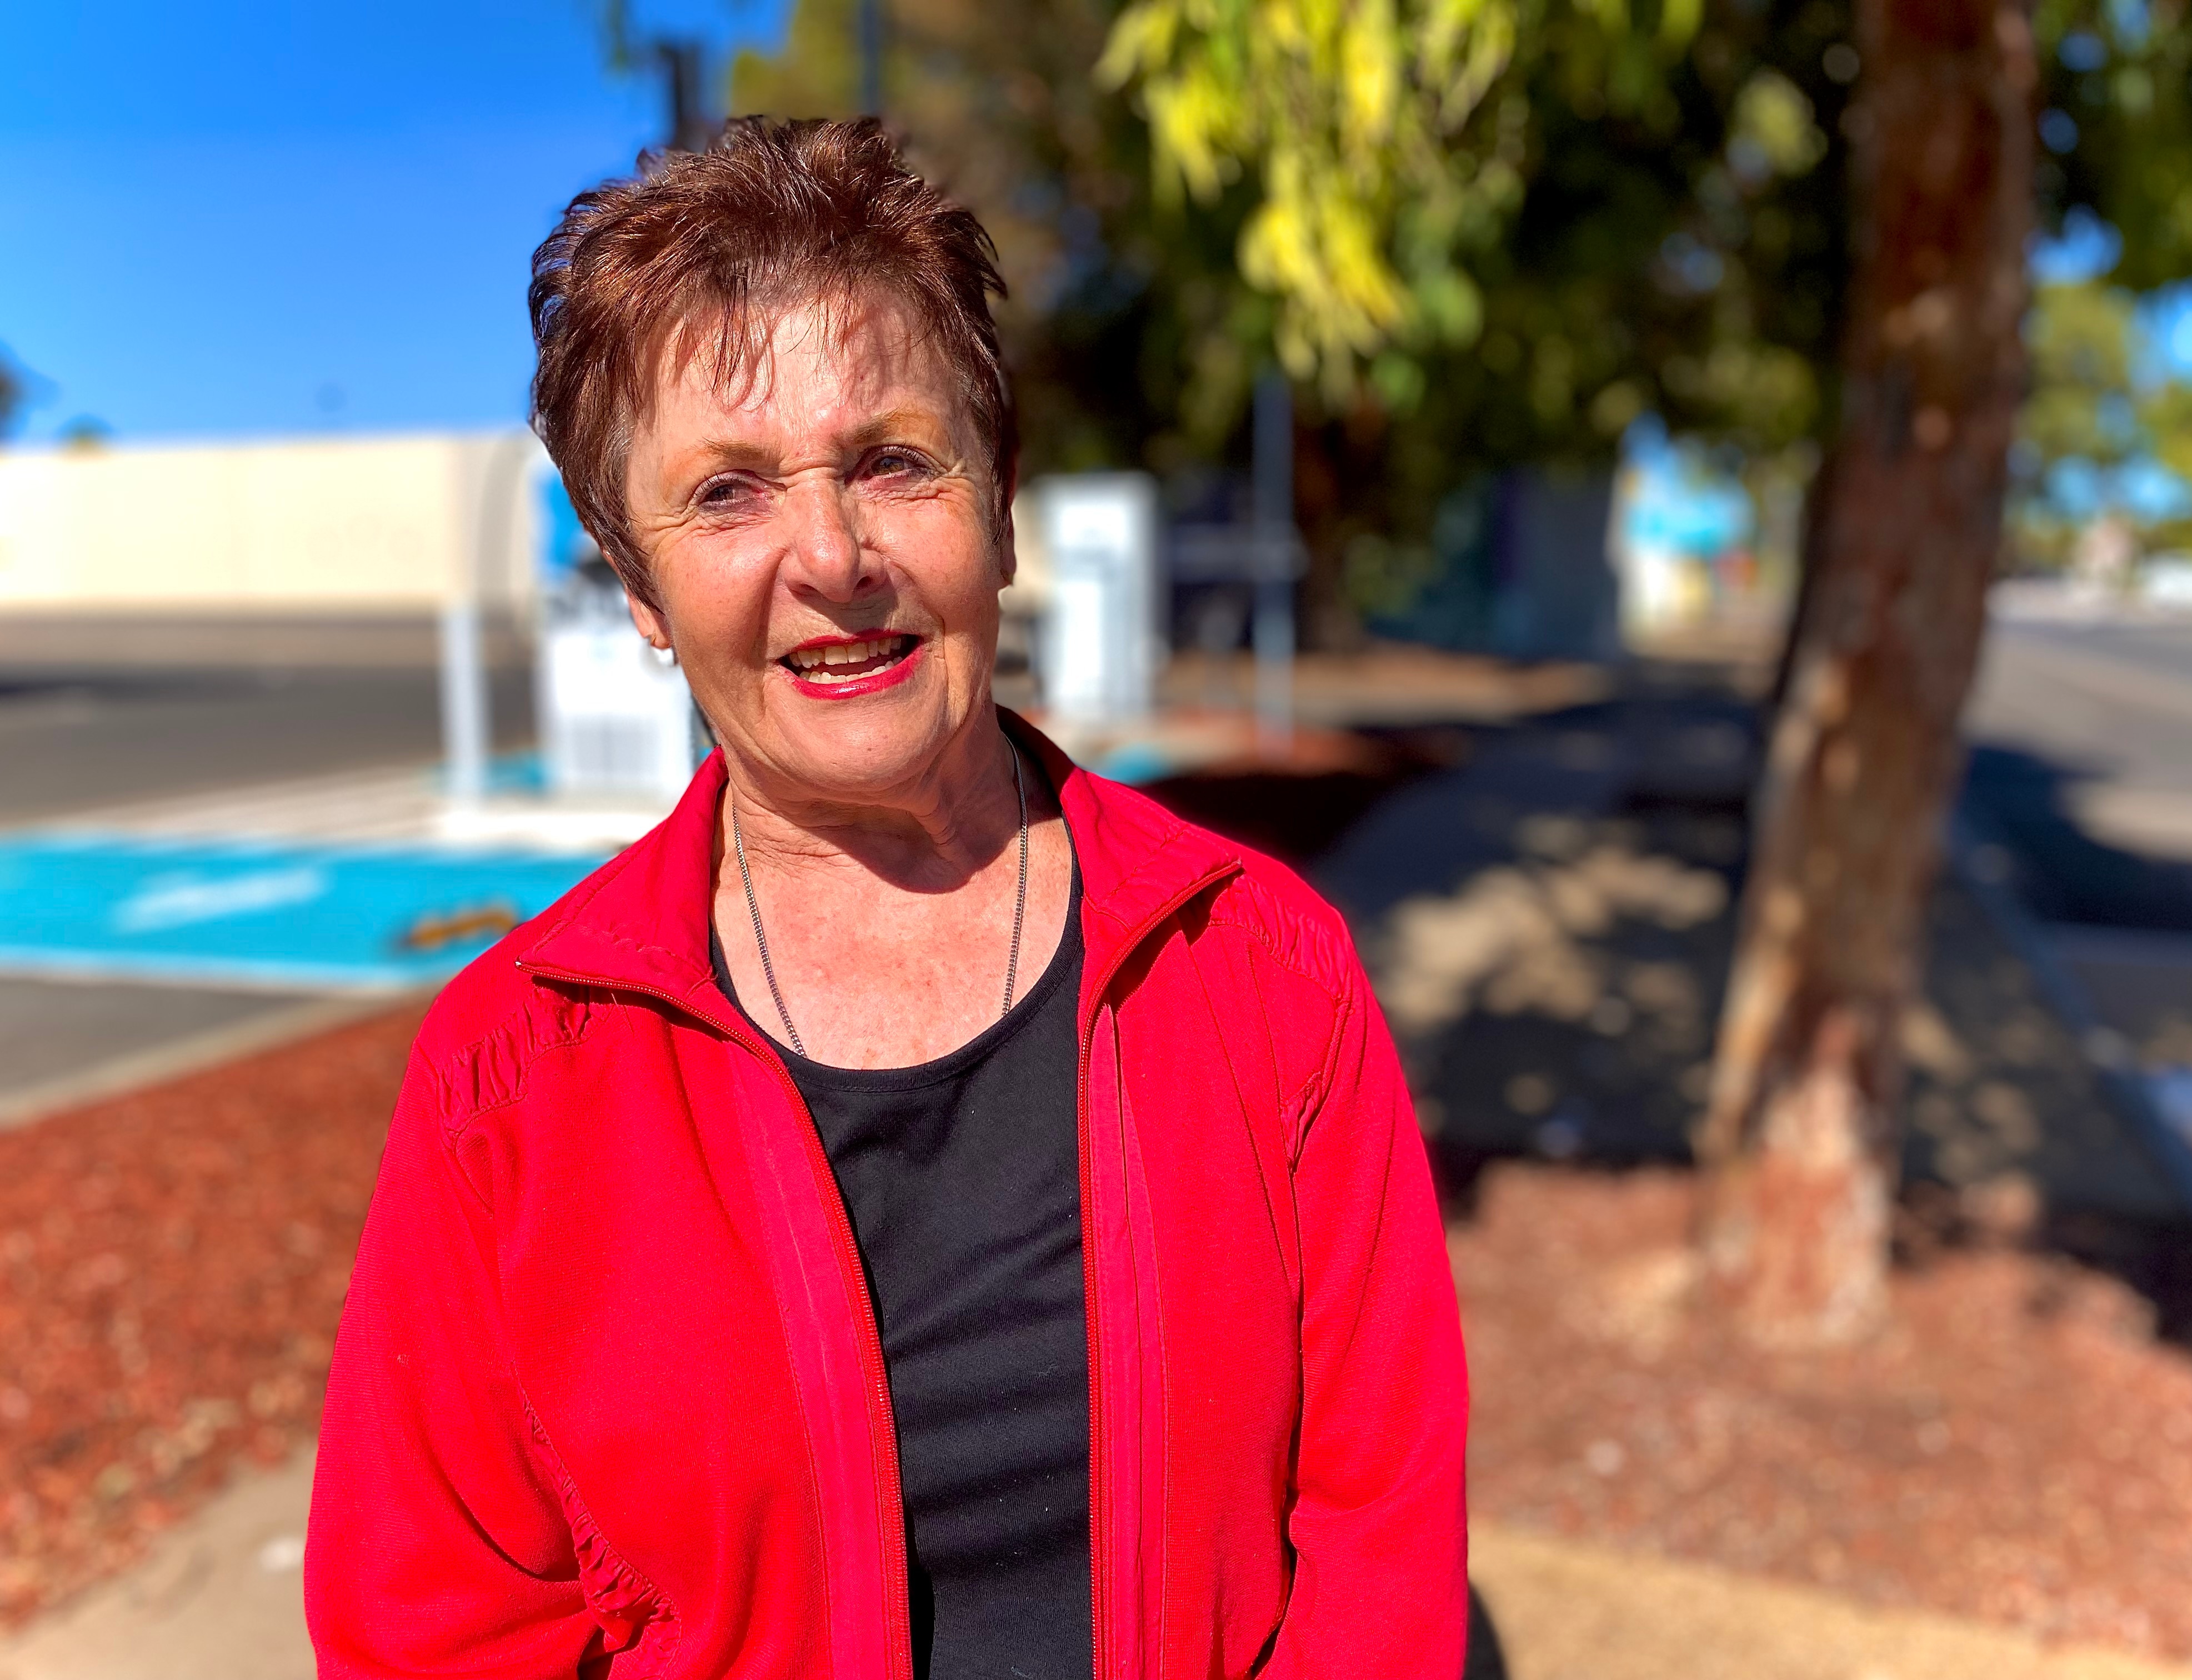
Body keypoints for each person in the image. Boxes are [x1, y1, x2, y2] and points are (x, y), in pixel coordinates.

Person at [305, 116, 1467, 1679]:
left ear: (997, 504)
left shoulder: (1260, 969)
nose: (833, 555)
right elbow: (436, 1629)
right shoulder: (510, 1081)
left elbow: (1377, 1543)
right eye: (726, 494)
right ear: (640, 594)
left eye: (894, 461)